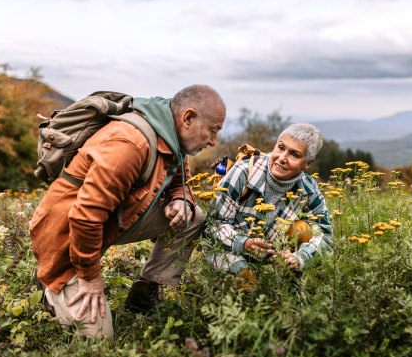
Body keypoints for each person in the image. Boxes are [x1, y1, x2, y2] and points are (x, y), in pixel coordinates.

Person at [30, 85, 226, 338]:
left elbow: (181, 182)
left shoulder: (172, 136)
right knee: (98, 340)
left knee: (193, 217)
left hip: (112, 220)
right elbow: (85, 216)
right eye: (213, 130)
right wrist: (90, 278)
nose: (213, 141)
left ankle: (145, 294)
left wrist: (182, 201)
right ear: (188, 118)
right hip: (67, 233)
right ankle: (51, 282)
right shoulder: (129, 143)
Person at [206, 122, 333, 282]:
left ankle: (291, 290)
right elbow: (212, 225)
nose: (282, 158)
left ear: (307, 163)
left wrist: (300, 258)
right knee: (246, 285)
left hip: (271, 252)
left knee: (304, 229)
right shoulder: (243, 173)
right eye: (281, 148)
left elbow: (326, 236)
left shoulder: (308, 189)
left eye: (294, 155)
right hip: (228, 248)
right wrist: (243, 243)